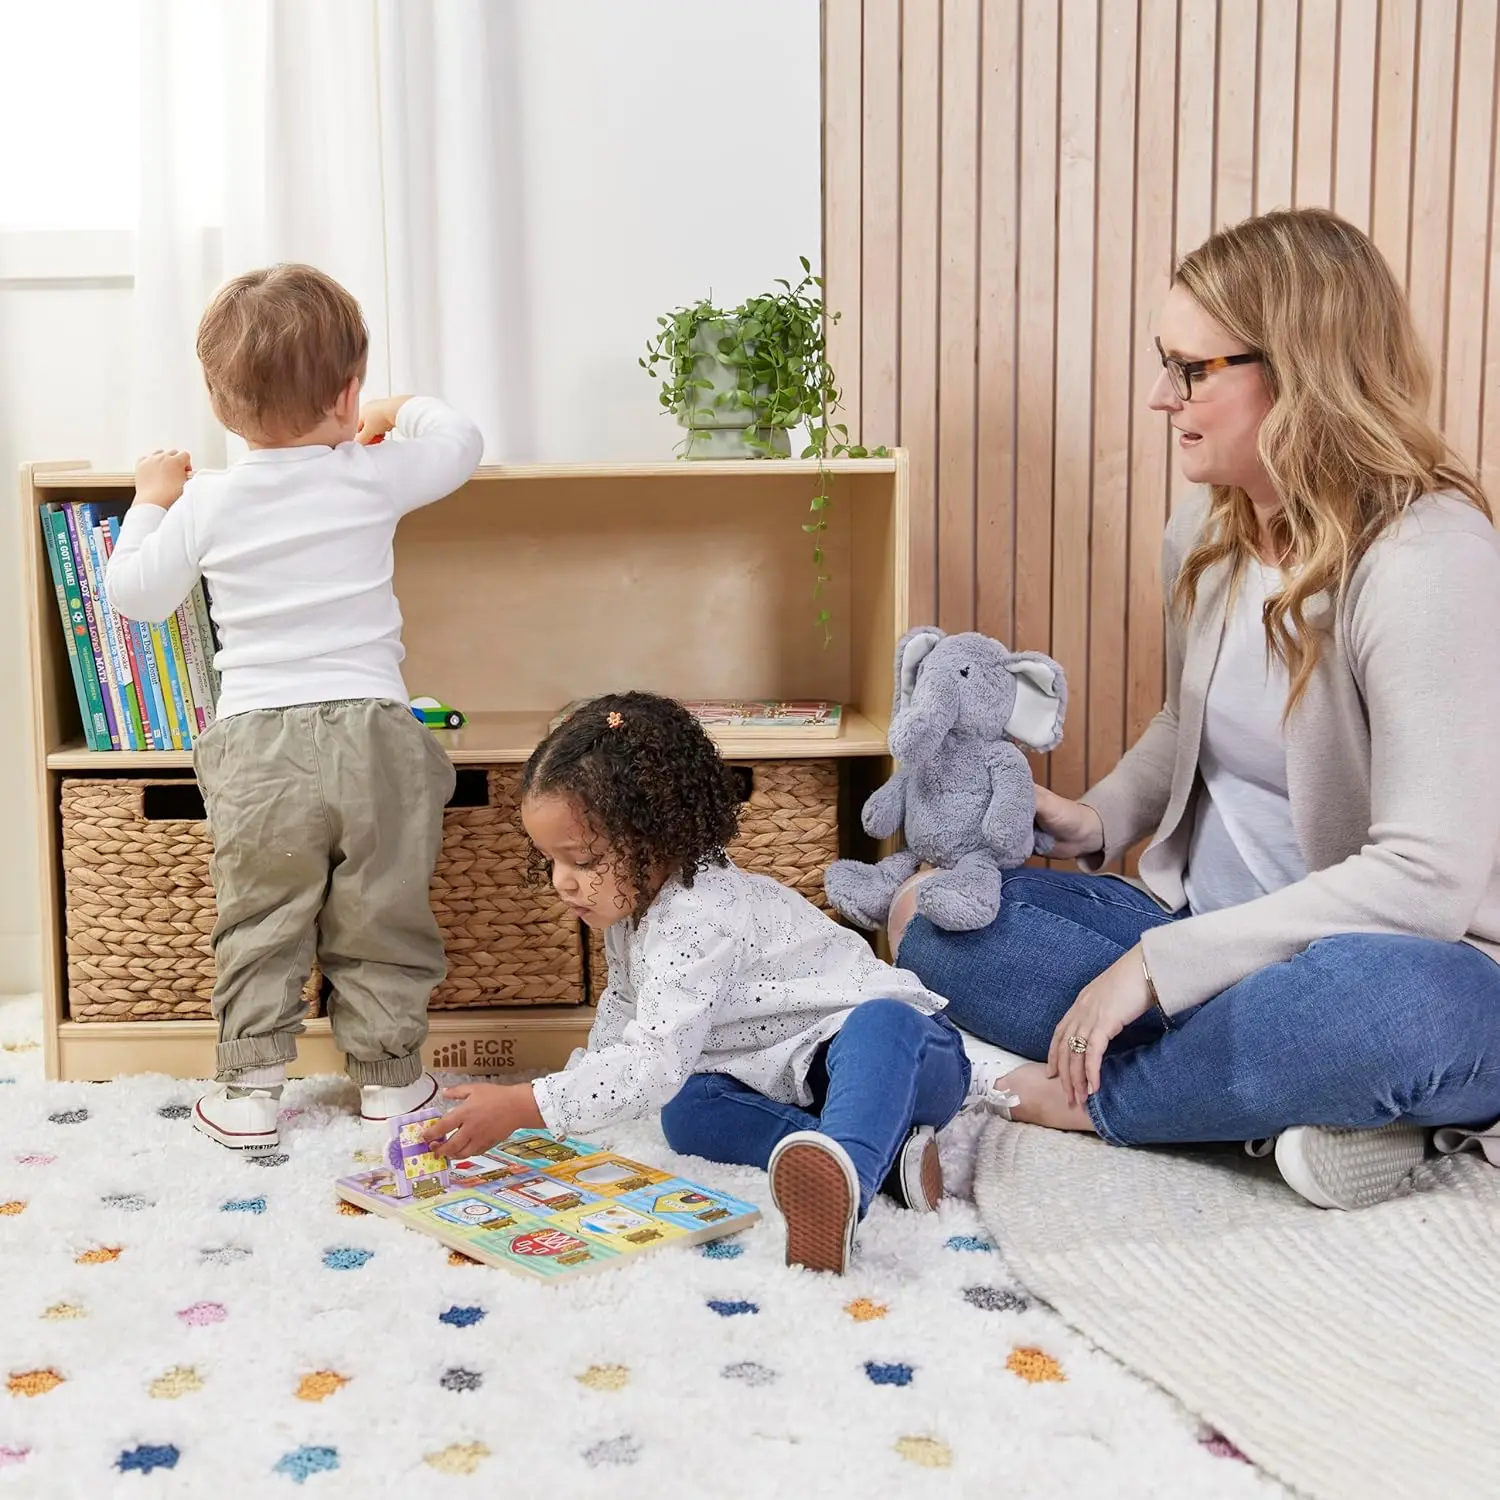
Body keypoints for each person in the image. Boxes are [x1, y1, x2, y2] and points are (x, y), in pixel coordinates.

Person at [890, 207, 1500, 1211]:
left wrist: (1155, 970)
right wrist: (1096, 820)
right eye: (1162, 363)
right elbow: (1188, 721)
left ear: (1301, 371)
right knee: (928, 908)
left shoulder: (1426, 562)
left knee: (1391, 1012)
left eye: (1192, 370)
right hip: (1207, 943)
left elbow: (1428, 880)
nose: (1159, 396)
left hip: (1398, 966)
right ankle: (1296, 1113)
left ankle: (1094, 1102)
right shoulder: (1205, 527)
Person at [105, 263, 484, 1153]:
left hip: (257, 742)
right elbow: (461, 442)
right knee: (381, 909)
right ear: (348, 394)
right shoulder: (367, 474)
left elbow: (133, 596)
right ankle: (392, 1084)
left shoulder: (206, 501)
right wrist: (403, 408)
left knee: (260, 915)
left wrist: (148, 501)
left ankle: (248, 1092)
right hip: (373, 733)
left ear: (222, 402)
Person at [421, 691, 971, 1275]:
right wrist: (571, 1097)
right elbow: (628, 1016)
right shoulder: (633, 911)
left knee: (876, 1023)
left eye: (582, 860)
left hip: (912, 1057)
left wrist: (527, 1104)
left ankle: (850, 1188)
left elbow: (651, 1061)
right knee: (688, 1107)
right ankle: (881, 1161)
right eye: (550, 861)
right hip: (796, 1075)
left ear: (660, 836)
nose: (562, 882)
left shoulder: (698, 916)